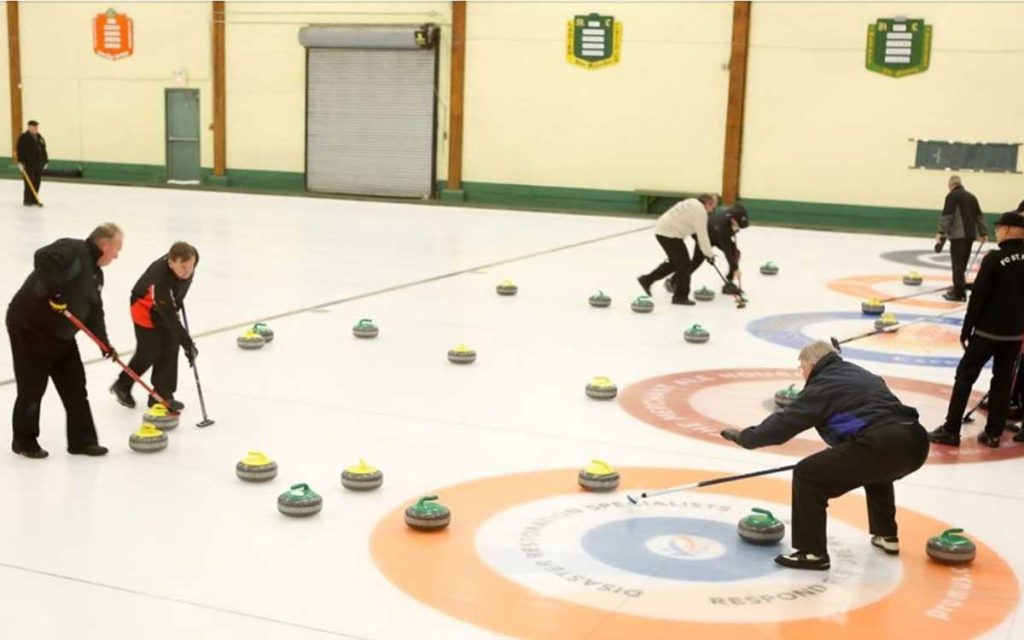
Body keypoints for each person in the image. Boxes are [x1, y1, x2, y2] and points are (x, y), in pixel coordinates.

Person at [720, 340, 929, 570]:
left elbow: (786, 422)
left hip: (881, 442)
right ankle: (886, 534)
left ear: (812, 364)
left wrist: (747, 438)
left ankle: (812, 552)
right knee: (877, 469)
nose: (802, 375)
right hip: (915, 440)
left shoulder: (823, 384)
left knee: (807, 475)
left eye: (802, 368)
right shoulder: (859, 373)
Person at [5, 223, 124, 458]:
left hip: (61, 336)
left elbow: (94, 312)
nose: (117, 255)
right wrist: (56, 292)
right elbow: (43, 257)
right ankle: (24, 441)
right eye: (117, 249)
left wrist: (104, 343)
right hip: (30, 329)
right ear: (105, 244)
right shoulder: (74, 249)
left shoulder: (96, 275)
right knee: (32, 388)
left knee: (76, 387)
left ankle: (82, 442)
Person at [929, 211, 1024, 448]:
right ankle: (993, 433)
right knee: (1002, 383)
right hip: (1014, 334)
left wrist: (966, 330)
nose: (997, 231)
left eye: (1000, 227)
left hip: (987, 333)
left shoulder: (993, 259)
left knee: (965, 377)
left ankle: (951, 429)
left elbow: (978, 299)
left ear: (1011, 230)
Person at [110, 242, 199, 411]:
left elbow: (178, 288)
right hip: (144, 307)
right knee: (150, 351)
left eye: (191, 267)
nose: (188, 272)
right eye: (183, 268)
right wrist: (188, 344)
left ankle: (162, 395)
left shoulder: (192, 256)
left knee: (171, 346)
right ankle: (122, 384)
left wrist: (178, 298)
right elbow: (170, 318)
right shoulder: (161, 280)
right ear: (171, 262)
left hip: (166, 305)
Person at [637, 194, 718, 305]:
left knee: (674, 263)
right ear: (708, 203)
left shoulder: (692, 201)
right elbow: (702, 236)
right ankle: (680, 297)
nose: (712, 210)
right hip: (669, 234)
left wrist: (707, 253)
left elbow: (692, 228)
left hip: (663, 230)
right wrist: (709, 254)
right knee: (685, 265)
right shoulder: (701, 211)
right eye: (712, 207)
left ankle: (646, 280)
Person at [934, 175, 987, 302]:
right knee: (962, 264)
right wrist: (983, 233)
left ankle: (959, 294)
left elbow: (947, 216)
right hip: (970, 235)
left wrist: (940, 232)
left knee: (957, 265)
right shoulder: (971, 196)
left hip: (958, 236)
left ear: (951, 185)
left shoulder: (952, 196)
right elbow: (979, 216)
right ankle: (960, 287)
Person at [690, 202, 750, 294]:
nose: (738, 230)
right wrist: (736, 268)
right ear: (733, 221)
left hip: (717, 234)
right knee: (696, 262)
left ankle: (729, 282)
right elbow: (727, 251)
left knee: (736, 252)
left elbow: (739, 206)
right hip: (705, 236)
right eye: (737, 226)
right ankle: (674, 281)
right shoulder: (723, 227)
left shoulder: (736, 212)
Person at [16, 119, 48, 206]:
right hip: (28, 165)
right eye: (34, 127)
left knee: (37, 182)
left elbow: (43, 149)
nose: (36, 129)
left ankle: (34, 199)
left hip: (38, 164)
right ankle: (28, 200)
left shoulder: (39, 137)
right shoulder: (23, 138)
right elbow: (20, 151)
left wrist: (46, 161)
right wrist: (20, 162)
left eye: (37, 127)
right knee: (29, 183)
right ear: (29, 127)